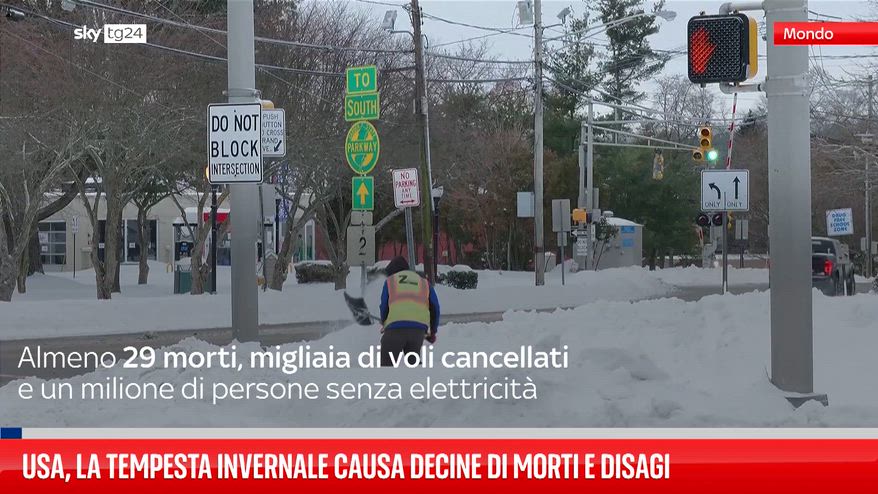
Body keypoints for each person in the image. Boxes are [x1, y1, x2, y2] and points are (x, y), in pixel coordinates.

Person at [378, 256, 440, 367]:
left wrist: (384, 322)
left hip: (395, 330)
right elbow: (435, 307)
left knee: (387, 365)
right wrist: (433, 331)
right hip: (418, 330)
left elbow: (384, 306)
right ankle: (420, 377)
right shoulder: (424, 283)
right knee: (413, 364)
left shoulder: (390, 281)